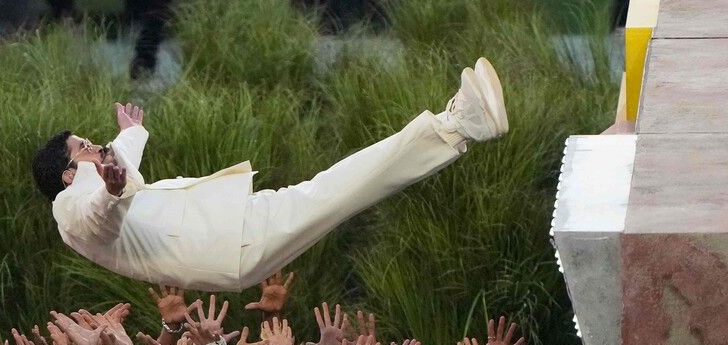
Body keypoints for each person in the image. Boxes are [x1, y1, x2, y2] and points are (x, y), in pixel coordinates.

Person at [32, 59, 507, 292]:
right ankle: (457, 123)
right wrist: (112, 191)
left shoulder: (96, 179)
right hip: (226, 244)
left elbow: (122, 171)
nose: (96, 148)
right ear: (69, 174)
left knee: (336, 187)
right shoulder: (70, 208)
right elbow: (100, 213)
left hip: (229, 234)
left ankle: (455, 125)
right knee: (339, 188)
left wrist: (132, 135)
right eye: (86, 148)